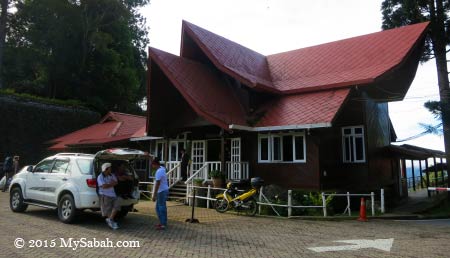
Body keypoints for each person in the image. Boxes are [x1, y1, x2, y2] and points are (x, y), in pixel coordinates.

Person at [97, 163, 120, 230]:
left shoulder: (112, 175)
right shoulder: (100, 177)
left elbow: (116, 182)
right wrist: (111, 184)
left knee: (117, 205)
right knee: (108, 210)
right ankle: (111, 222)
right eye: (110, 168)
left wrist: (108, 184)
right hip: (105, 195)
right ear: (106, 169)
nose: (111, 169)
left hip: (113, 194)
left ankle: (110, 220)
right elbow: (103, 186)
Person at [151, 157, 169, 230]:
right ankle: (162, 222)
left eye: (152, 165)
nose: (152, 166)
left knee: (161, 207)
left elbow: (157, 183)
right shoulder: (162, 168)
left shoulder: (159, 171)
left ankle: (163, 224)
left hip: (161, 191)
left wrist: (154, 194)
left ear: (155, 164)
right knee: (159, 207)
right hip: (163, 190)